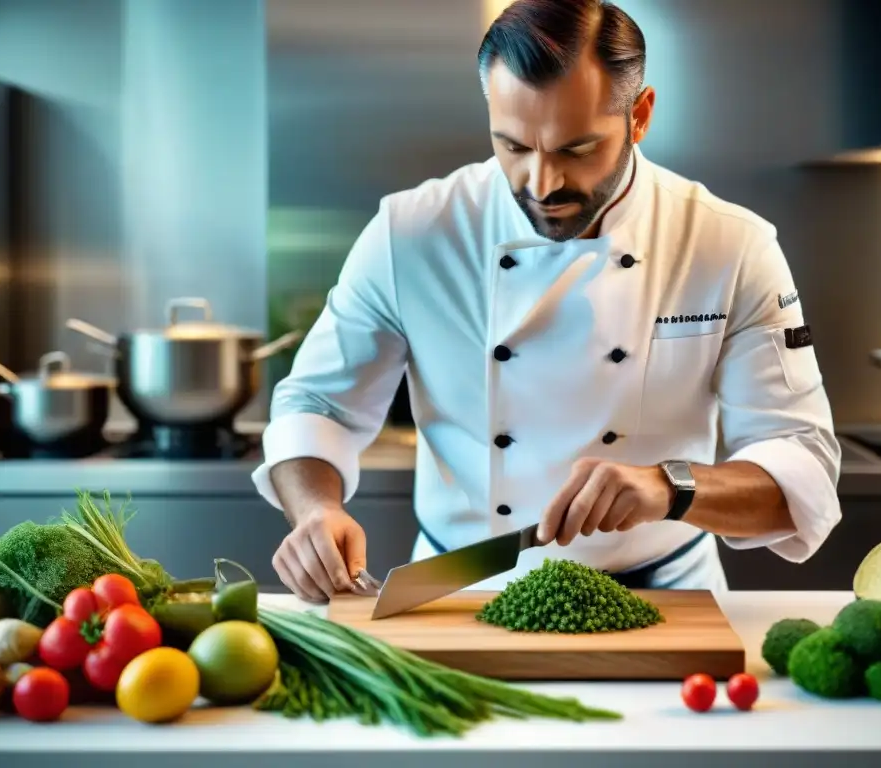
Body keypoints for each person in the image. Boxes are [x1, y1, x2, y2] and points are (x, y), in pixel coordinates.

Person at [252, 0, 842, 602]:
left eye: (576, 149)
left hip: (664, 596)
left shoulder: (728, 243)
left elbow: (801, 464)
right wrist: (314, 510)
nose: (542, 183)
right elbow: (318, 402)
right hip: (456, 591)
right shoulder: (411, 232)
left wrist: (673, 487)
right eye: (513, 146)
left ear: (640, 116)